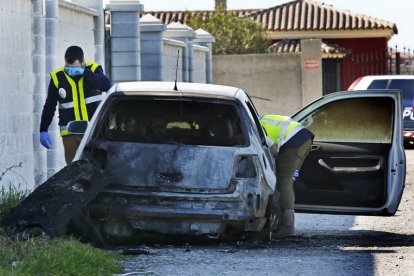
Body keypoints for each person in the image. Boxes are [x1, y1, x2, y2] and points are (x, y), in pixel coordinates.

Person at [39, 45, 111, 164]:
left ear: (83, 62)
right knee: (73, 171)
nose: (71, 71)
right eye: (68, 67)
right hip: (70, 134)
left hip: (93, 132)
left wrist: (84, 73)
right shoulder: (58, 77)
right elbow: (49, 106)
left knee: (94, 167)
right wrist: (43, 129)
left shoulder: (93, 69)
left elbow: (105, 85)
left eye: (75, 68)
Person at [260, 114, 314, 237]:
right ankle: (285, 224)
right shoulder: (260, 119)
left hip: (293, 141)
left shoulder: (253, 126)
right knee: (288, 180)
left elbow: (272, 148)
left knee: (284, 181)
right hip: (303, 138)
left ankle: (287, 227)